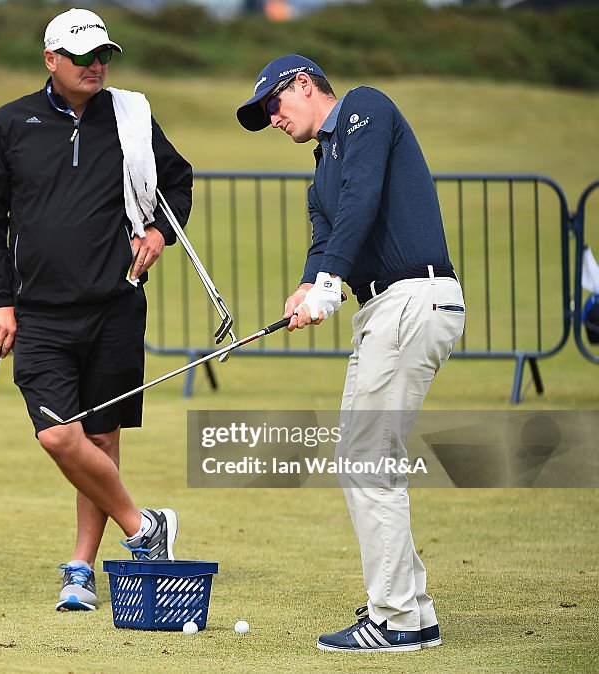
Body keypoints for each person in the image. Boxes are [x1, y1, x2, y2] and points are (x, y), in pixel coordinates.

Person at [0, 8, 193, 612]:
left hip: (116, 306)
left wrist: (159, 234)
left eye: (104, 56)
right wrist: (1, 299)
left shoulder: (130, 117)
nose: (97, 66)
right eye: (84, 56)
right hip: (38, 312)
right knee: (59, 437)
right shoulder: (11, 123)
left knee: (101, 437)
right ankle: (144, 528)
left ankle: (79, 570)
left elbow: (177, 181)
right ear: (51, 60)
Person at [237, 55, 465, 651]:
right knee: (362, 457)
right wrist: (310, 285)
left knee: (368, 459)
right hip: (381, 312)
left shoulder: (365, 108)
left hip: (413, 298)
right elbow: (324, 238)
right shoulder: (319, 174)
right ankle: (412, 610)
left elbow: (364, 196)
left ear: (305, 84)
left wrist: (331, 282)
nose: (273, 120)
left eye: (274, 105)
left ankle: (393, 620)